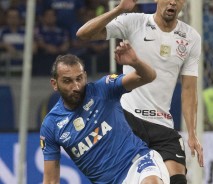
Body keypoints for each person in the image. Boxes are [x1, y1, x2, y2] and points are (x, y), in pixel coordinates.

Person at [76, 0, 204, 183]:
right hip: (128, 121)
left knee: (178, 180)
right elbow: (84, 34)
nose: (173, 2)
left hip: (162, 124)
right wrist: (119, 9)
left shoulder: (191, 37)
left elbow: (189, 88)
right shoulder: (134, 22)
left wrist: (192, 133)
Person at [39, 41, 170, 184]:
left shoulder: (103, 89)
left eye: (79, 79)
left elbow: (148, 77)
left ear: (85, 76)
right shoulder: (51, 125)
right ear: (55, 84)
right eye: (67, 81)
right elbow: (51, 181)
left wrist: (136, 62)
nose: (76, 86)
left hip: (138, 163)